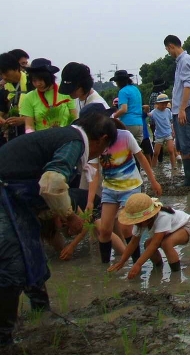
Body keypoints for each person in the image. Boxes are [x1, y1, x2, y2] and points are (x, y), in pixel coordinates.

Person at [0, 111, 117, 346]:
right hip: (5, 199)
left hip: (17, 201)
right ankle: (3, 340)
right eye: (103, 149)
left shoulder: (65, 136)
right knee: (12, 266)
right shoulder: (74, 143)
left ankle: (41, 314)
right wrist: (70, 216)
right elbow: (52, 182)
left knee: (32, 255)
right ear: (102, 139)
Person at [83, 104, 163, 265]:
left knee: (127, 228)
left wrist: (153, 181)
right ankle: (106, 269)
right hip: (110, 189)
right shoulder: (93, 143)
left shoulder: (125, 136)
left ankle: (136, 265)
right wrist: (90, 200)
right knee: (105, 230)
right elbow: (94, 173)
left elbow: (141, 158)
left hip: (131, 187)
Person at [108, 193, 190, 278]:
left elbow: (155, 244)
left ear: (148, 218)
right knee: (147, 244)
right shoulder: (139, 223)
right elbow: (133, 243)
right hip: (170, 230)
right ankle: (158, 269)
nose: (136, 224)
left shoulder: (162, 217)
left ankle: (176, 275)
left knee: (166, 244)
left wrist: (138, 264)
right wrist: (122, 261)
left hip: (187, 225)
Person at [163, 35, 190, 187]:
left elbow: (188, 86)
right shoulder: (180, 62)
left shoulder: (186, 60)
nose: (168, 52)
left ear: (171, 46)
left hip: (184, 109)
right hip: (178, 110)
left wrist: (182, 108)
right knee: (182, 146)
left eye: (168, 49)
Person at [20, 58, 76, 132]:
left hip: (66, 137)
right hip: (42, 139)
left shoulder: (65, 92)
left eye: (40, 80)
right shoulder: (29, 97)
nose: (38, 84)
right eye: (34, 81)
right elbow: (29, 125)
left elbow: (74, 118)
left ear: (49, 78)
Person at [110, 69, 144, 145]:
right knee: (136, 152)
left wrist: (113, 117)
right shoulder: (135, 89)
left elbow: (124, 109)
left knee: (124, 152)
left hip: (128, 124)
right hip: (139, 124)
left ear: (119, 82)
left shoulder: (123, 91)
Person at [0, 53, 28, 143]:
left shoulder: (31, 83)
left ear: (16, 68)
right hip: (13, 137)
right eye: (1, 74)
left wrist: (23, 120)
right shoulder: (5, 88)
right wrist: (4, 121)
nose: (4, 77)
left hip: (31, 134)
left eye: (6, 73)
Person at [149, 94, 177, 171]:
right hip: (159, 134)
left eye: (165, 103)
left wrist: (173, 130)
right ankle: (153, 168)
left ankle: (174, 167)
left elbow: (171, 122)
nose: (164, 105)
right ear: (157, 104)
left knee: (171, 150)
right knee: (155, 153)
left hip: (168, 133)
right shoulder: (154, 112)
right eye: (162, 104)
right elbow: (147, 115)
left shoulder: (168, 111)